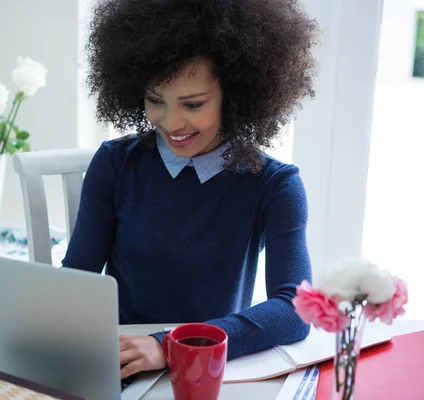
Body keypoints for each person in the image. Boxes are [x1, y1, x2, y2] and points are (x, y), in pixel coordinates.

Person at [62, 0, 319, 380]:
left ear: (234, 96)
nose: (171, 122)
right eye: (155, 100)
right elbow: (75, 281)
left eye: (193, 104)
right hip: (120, 364)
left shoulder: (275, 184)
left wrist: (169, 344)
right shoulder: (116, 162)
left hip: (208, 371)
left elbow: (295, 310)